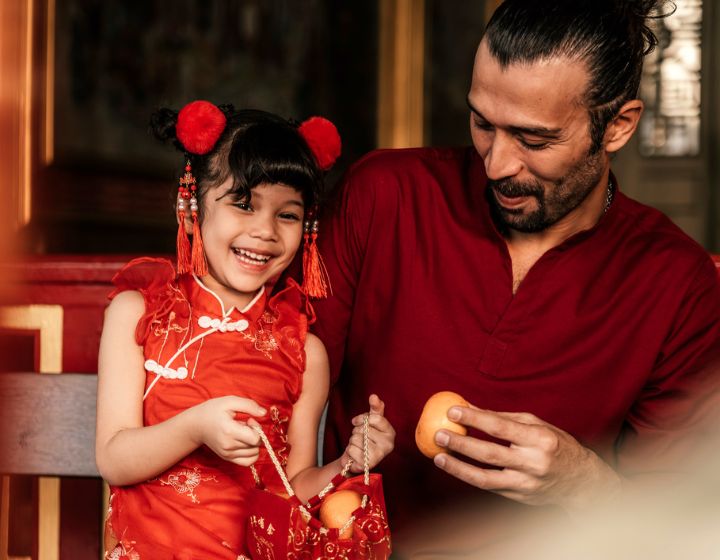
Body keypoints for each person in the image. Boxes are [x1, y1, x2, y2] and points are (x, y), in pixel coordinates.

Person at [310, 0, 720, 547]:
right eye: (482, 122)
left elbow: (681, 529)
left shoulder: (678, 282)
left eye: (534, 139)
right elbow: (270, 381)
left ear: (617, 126)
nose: (497, 163)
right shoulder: (386, 194)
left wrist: (581, 482)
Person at [95, 101, 395, 559]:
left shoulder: (304, 351)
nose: (265, 231)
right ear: (193, 209)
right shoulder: (138, 313)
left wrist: (348, 464)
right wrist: (195, 427)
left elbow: (295, 486)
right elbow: (114, 460)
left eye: (288, 214)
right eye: (243, 204)